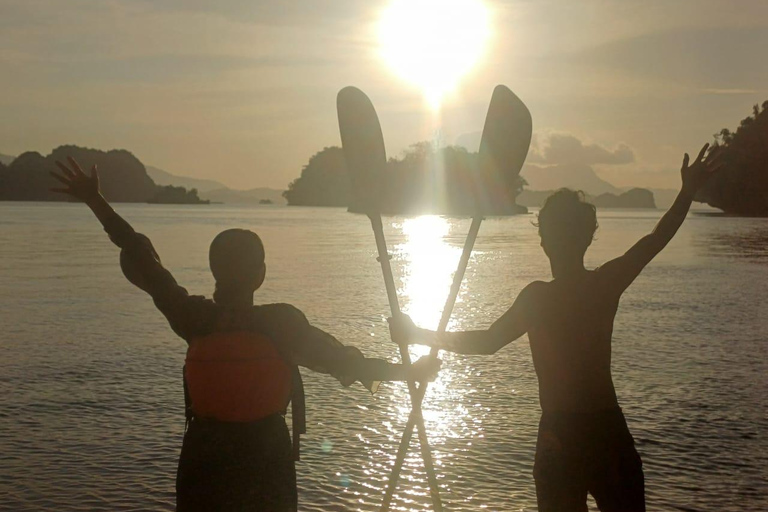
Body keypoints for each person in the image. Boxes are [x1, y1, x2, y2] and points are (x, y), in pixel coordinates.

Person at [50, 157, 440, 512]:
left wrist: (96, 202)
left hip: (204, 461)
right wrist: (411, 372)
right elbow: (346, 361)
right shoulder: (281, 324)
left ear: (215, 272)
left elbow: (142, 259)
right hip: (265, 461)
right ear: (261, 275)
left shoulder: (194, 317)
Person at [390, 144, 724, 512]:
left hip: (560, 437)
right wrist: (686, 193)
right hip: (606, 433)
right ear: (587, 237)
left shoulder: (538, 299)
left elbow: (486, 343)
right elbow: (655, 240)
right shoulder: (604, 285)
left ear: (544, 240)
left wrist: (417, 333)